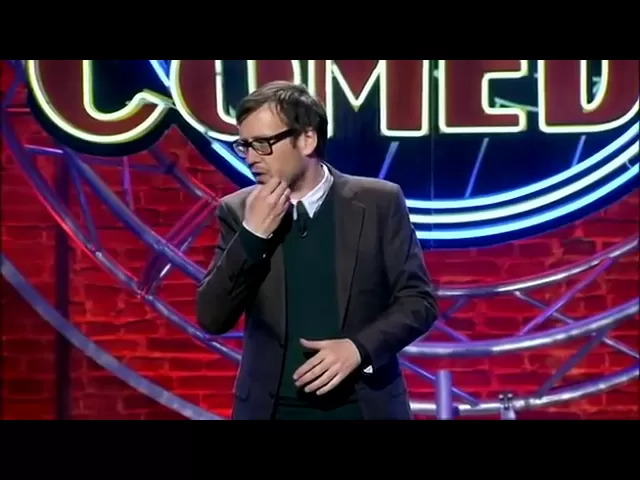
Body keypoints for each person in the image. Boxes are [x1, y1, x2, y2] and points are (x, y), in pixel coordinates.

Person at [196, 81, 438, 420]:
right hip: (272, 411)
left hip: (363, 409)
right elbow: (212, 318)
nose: (251, 157)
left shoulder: (378, 202)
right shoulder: (237, 211)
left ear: (307, 139)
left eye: (263, 144)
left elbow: (418, 301)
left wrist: (358, 349)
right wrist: (252, 235)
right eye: (245, 145)